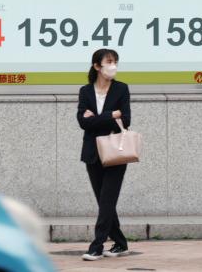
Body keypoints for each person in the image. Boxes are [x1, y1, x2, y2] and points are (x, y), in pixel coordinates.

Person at [77, 49, 131, 261]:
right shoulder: (85, 91)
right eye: (109, 62)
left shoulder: (121, 89)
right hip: (93, 152)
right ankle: (121, 243)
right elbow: (82, 122)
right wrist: (111, 115)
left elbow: (125, 119)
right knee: (104, 201)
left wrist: (98, 117)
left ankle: (97, 246)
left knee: (107, 200)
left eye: (115, 61)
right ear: (97, 66)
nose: (113, 65)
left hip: (116, 151)